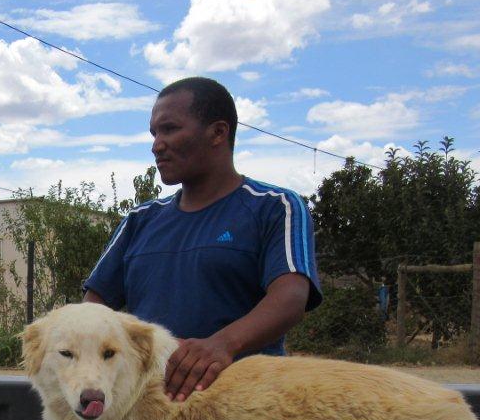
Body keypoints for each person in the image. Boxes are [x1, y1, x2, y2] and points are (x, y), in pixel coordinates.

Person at [83, 76, 322, 403]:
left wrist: (222, 345)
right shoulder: (140, 220)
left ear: (218, 132)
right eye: (154, 133)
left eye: (169, 129)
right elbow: (93, 308)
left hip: (248, 408)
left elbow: (290, 298)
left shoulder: (274, 206)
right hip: (150, 411)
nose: (156, 144)